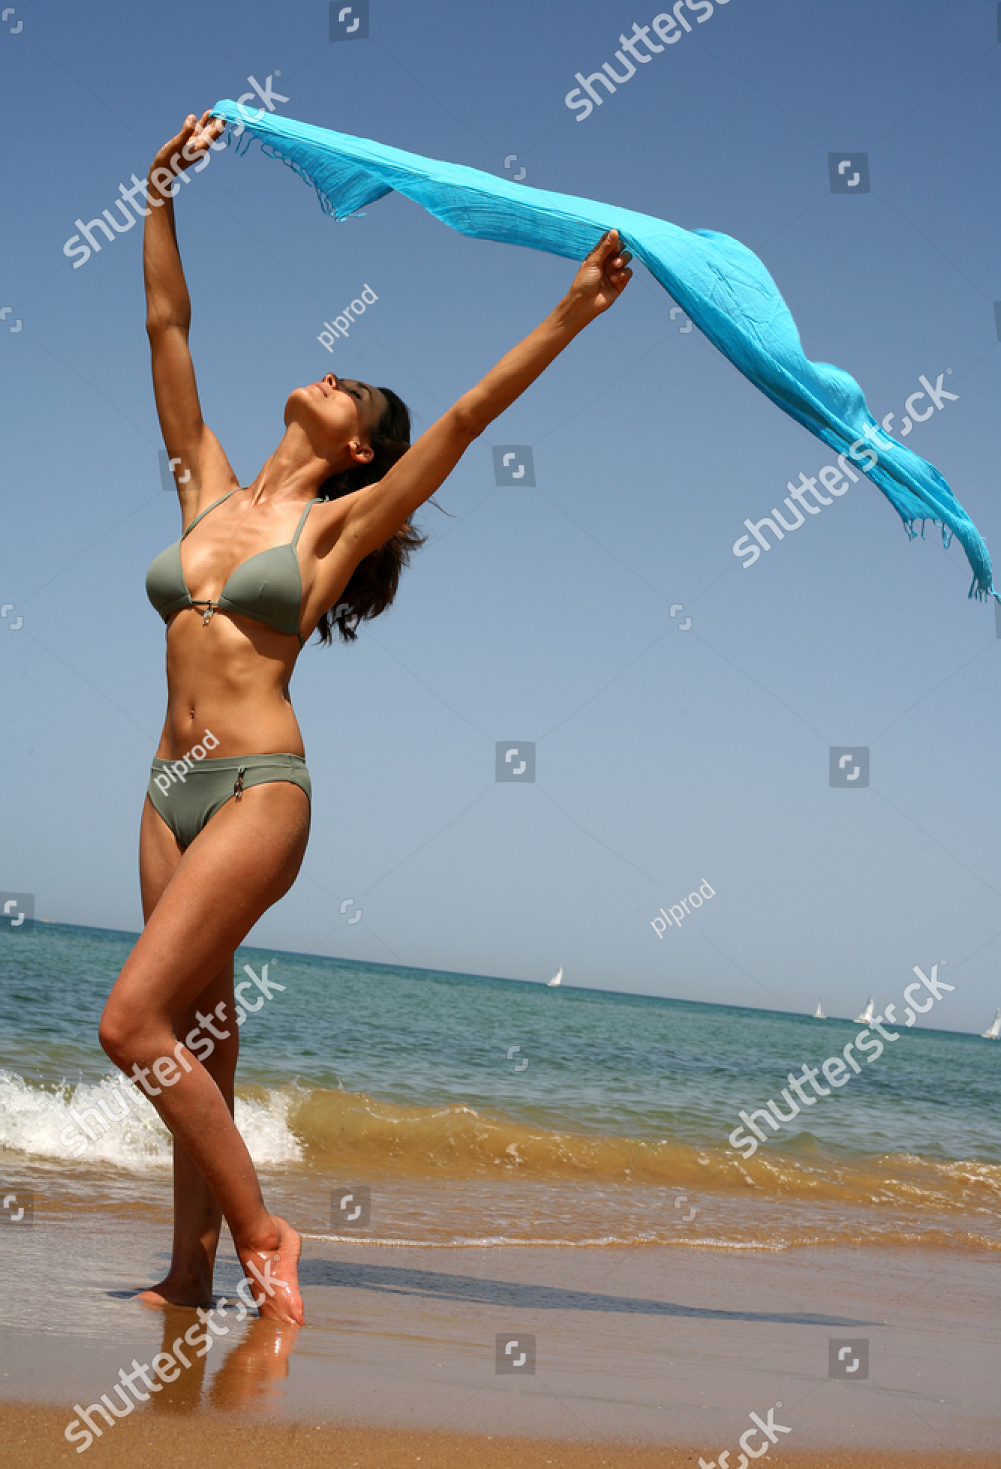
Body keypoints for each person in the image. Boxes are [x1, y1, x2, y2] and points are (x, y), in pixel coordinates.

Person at [98, 111, 633, 1326]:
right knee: (202, 1040)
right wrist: (161, 194)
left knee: (131, 1023)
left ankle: (260, 1229)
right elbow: (167, 327)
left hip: (254, 791)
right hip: (163, 793)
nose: (333, 374)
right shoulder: (208, 483)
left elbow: (458, 423)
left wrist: (570, 309)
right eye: (339, 372)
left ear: (353, 453)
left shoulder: (334, 529)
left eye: (356, 392)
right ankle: (188, 1276)